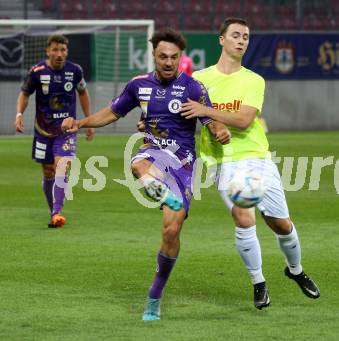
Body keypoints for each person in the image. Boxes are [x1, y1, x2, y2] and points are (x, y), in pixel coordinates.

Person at [61, 27, 230, 321]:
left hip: (183, 163)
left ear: (180, 58)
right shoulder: (138, 85)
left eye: (173, 57)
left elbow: (210, 121)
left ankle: (155, 295)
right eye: (162, 56)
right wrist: (81, 122)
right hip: (153, 152)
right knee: (136, 164)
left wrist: (220, 130)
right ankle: (159, 191)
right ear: (153, 55)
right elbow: (112, 113)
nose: (168, 62)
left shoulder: (193, 87)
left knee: (171, 230)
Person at [181, 18, 320, 310]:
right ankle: (259, 283)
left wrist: (207, 109)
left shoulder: (254, 79)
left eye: (245, 36)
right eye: (235, 35)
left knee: (280, 224)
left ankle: (294, 270)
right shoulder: (198, 80)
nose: (241, 40)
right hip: (223, 160)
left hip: (257, 156)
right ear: (221, 39)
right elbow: (181, 111)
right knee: (244, 218)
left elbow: (245, 120)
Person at [14, 34, 95, 228]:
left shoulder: (75, 71)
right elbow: (24, 94)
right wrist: (19, 114)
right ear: (48, 51)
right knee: (48, 170)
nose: (59, 54)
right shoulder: (37, 71)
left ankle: (57, 212)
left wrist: (89, 121)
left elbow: (83, 93)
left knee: (61, 166)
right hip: (42, 130)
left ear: (67, 52)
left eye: (63, 50)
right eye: (56, 50)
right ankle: (53, 211)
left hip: (66, 130)